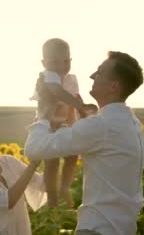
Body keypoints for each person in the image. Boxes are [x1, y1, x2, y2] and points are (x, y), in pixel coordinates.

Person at [25, 51, 144, 235]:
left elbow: (34, 149)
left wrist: (44, 110)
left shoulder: (101, 125)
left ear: (113, 86)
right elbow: (101, 144)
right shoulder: (132, 123)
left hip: (98, 233)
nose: (92, 76)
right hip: (120, 233)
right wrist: (84, 118)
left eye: (99, 73)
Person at [29, 38, 96, 207]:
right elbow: (58, 93)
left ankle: (65, 187)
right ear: (44, 63)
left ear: (71, 60)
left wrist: (83, 111)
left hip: (67, 122)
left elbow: (75, 96)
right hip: (49, 125)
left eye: (65, 61)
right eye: (54, 62)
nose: (60, 66)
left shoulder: (71, 79)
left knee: (72, 155)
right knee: (51, 161)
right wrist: (80, 105)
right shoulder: (48, 76)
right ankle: (52, 196)